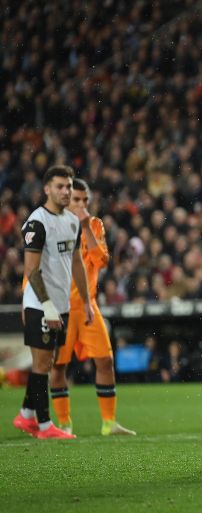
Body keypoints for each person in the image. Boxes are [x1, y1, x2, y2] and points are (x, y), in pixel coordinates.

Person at [48, 179, 135, 436]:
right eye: (77, 200)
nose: (82, 204)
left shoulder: (94, 224)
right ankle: (64, 422)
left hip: (88, 305)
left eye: (85, 200)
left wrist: (85, 225)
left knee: (106, 360)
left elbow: (103, 260)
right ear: (65, 198)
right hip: (61, 307)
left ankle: (109, 422)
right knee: (59, 366)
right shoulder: (51, 224)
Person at [13, 165, 93, 439]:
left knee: (50, 361)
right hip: (40, 304)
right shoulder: (37, 222)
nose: (65, 191)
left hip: (62, 305)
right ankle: (45, 426)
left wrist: (87, 302)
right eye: (59, 186)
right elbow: (31, 271)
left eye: (68, 186)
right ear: (46, 189)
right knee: (42, 363)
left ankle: (25, 416)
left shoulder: (71, 221)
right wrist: (46, 307)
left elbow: (76, 262)